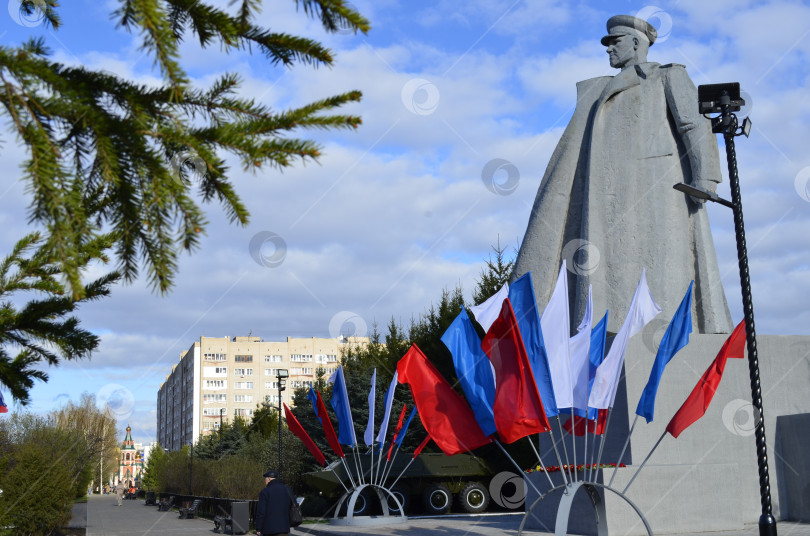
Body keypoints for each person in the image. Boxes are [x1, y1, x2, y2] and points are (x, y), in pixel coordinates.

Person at [512, 14, 733, 334]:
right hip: (608, 197)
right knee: (610, 273)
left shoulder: (665, 76)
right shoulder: (597, 90)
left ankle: (661, 334)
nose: (609, 49)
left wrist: (705, 177)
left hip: (660, 193)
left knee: (662, 274)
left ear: (636, 43)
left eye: (615, 42)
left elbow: (694, 124)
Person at [254, 469, 292, 536]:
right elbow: (291, 506)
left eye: (265, 479)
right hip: (284, 528)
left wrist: (258, 528)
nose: (265, 481)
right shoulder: (287, 489)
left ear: (268, 479)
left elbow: (261, 512)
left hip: (269, 529)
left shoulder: (265, 491)